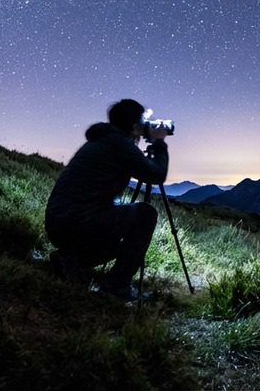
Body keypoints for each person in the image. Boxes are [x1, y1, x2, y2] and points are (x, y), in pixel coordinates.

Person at [45, 98, 170, 299]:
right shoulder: (120, 144)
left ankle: (69, 261)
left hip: (57, 224)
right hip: (80, 222)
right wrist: (161, 144)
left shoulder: (101, 140)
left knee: (114, 245)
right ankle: (117, 286)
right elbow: (156, 175)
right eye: (143, 123)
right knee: (145, 214)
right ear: (135, 126)